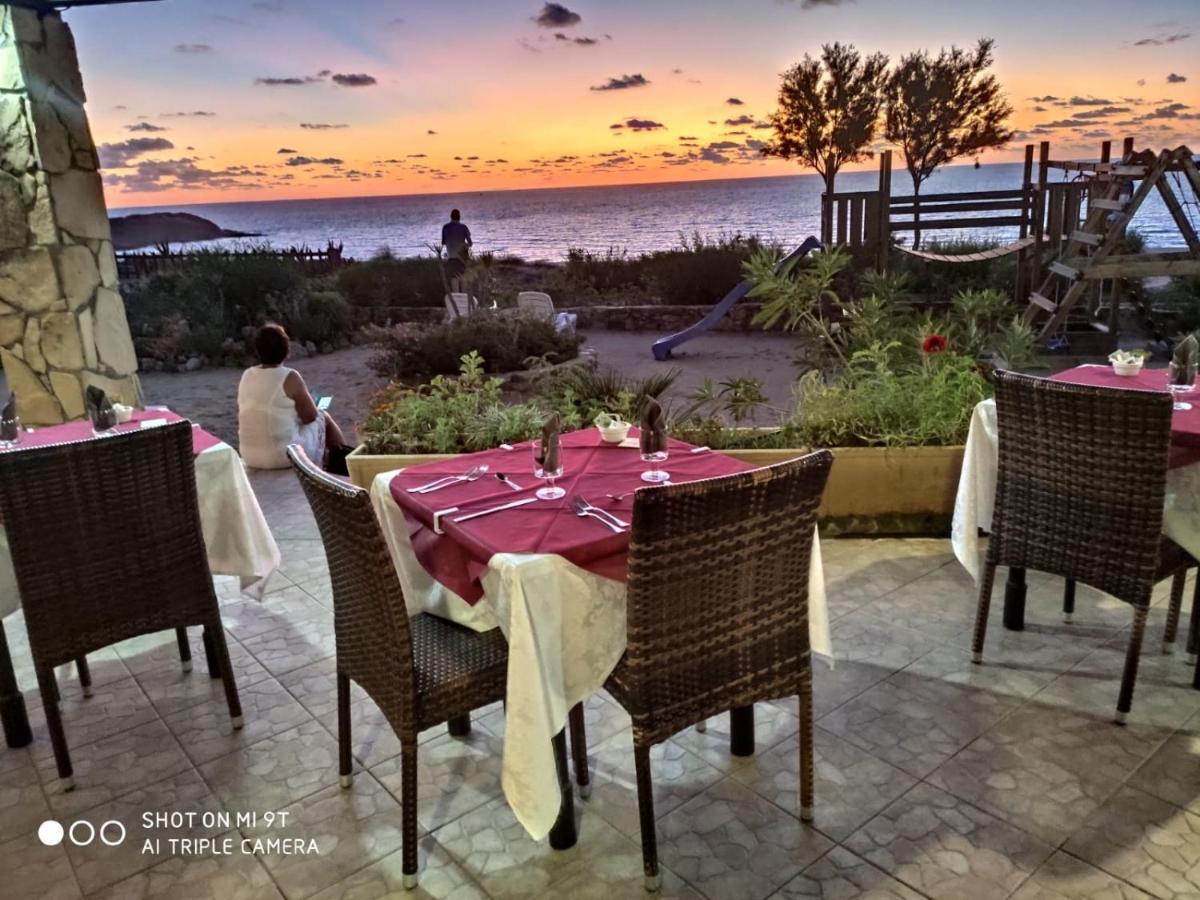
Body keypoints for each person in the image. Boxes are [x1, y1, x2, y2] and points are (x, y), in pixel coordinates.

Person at [238, 324, 349, 472]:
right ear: (286, 350)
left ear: (258, 351)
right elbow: (310, 417)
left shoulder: (247, 375)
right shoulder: (290, 376)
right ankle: (344, 465)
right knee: (323, 416)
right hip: (283, 456)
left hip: (250, 456)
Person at [440, 208, 472, 292]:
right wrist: (463, 245)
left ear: (451, 217)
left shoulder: (445, 227)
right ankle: (464, 298)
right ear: (459, 217)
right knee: (463, 277)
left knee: (454, 278)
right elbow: (470, 243)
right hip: (462, 257)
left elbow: (443, 242)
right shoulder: (463, 227)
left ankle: (456, 299)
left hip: (451, 257)